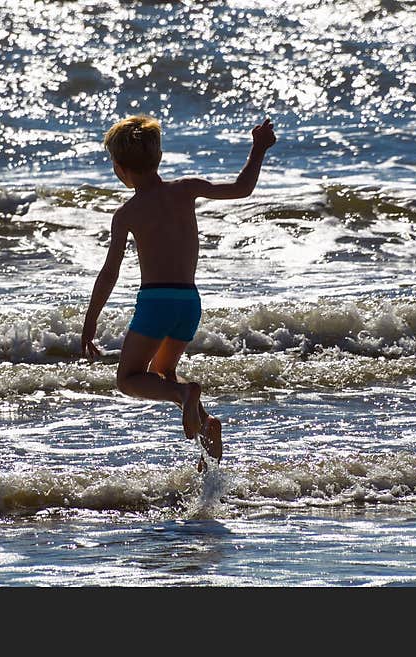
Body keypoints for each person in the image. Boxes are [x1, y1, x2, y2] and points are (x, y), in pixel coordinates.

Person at [81, 114, 276, 470]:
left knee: (129, 379)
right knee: (164, 373)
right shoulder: (186, 189)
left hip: (156, 301)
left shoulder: (126, 213)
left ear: (120, 169)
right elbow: (241, 188)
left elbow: (109, 272)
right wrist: (259, 148)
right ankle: (206, 429)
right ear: (158, 157)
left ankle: (186, 395)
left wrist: (90, 321)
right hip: (189, 302)